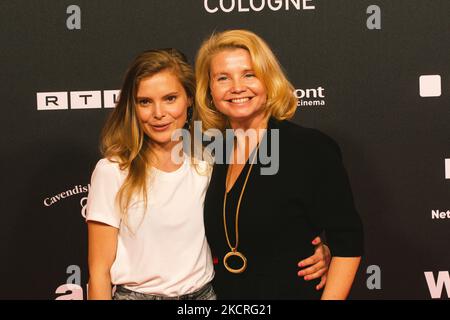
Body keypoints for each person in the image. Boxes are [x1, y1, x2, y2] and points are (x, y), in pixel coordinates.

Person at [86, 48, 329, 300]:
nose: (158, 113)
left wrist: (315, 249)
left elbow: (257, 221)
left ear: (189, 99)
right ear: (132, 106)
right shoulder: (113, 171)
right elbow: (99, 270)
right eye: (145, 101)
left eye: (170, 98)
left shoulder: (212, 158)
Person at [195, 29, 364, 299]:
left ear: (268, 80)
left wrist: (328, 251)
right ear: (209, 89)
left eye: (249, 74)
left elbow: (348, 241)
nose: (237, 87)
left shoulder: (309, 148)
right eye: (223, 78)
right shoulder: (211, 152)